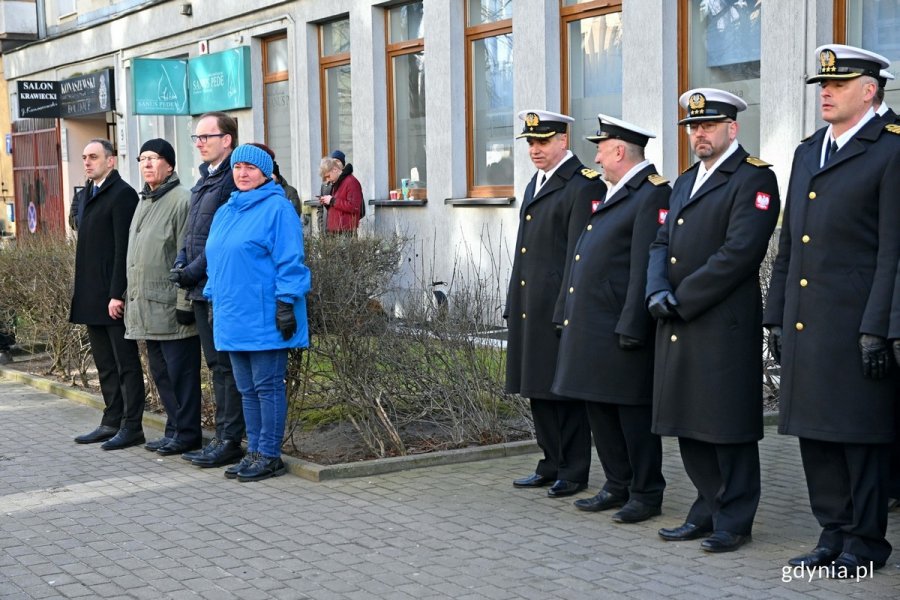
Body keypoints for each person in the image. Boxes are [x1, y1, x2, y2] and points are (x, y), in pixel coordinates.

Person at [765, 45, 900, 576]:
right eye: (823, 85)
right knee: (816, 435)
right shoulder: (807, 151)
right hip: (807, 319)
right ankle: (832, 533)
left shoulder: (889, 149)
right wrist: (774, 314)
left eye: (838, 85)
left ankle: (864, 545)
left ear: (870, 91)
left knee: (859, 439)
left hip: (855, 323)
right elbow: (790, 242)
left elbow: (894, 250)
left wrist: (881, 328)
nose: (826, 92)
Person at [646, 88, 780, 552]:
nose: (699, 134)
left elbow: (739, 254)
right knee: (689, 421)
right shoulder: (684, 181)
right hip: (678, 320)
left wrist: (680, 299)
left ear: (732, 128)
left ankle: (735, 519)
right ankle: (706, 508)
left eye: (708, 126)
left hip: (721, 323)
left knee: (726, 426)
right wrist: (655, 289)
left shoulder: (754, 180)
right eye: (693, 127)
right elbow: (660, 242)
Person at [553, 115, 670, 522]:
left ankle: (645, 491)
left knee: (631, 416)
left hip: (620, 328)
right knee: (600, 411)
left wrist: (632, 325)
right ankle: (616, 484)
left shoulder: (650, 193)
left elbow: (643, 265)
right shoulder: (615, 190)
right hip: (593, 326)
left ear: (620, 151)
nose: (597, 156)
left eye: (601, 148)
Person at [505, 110, 605, 498]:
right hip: (533, 303)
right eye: (530, 142)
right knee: (538, 388)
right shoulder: (536, 183)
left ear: (563, 140)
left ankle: (574, 469)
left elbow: (579, 254)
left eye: (542, 141)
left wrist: (568, 307)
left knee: (564, 393)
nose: (535, 149)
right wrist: (514, 298)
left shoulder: (582, 185)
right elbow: (524, 250)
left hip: (559, 306)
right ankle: (550, 461)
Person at [204, 144, 311, 482]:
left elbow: (290, 260)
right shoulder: (226, 211)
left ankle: (269, 454)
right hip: (233, 314)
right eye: (238, 167)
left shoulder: (278, 209)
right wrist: (211, 298)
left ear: (266, 173)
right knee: (246, 389)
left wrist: (286, 303)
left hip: (265, 314)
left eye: (251, 167)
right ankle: (254, 452)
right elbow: (217, 260)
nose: (243, 173)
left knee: (267, 387)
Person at [168, 112, 246, 468]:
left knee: (227, 367)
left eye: (205, 137)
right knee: (215, 365)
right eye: (196, 138)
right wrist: (182, 261)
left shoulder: (233, 179)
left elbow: (221, 240)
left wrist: (191, 272)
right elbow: (192, 231)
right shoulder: (205, 179)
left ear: (226, 139)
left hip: (219, 286)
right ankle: (222, 437)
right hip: (200, 285)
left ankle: (230, 440)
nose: (199, 143)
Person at [125, 139, 203, 457]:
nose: (146, 164)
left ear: (169, 165)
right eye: (142, 158)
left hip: (172, 308)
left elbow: (186, 254)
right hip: (146, 308)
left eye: (153, 158)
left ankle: (188, 434)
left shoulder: (182, 200)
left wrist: (185, 304)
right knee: (161, 374)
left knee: (181, 376)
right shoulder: (144, 200)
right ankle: (174, 429)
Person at [70, 139, 146, 450]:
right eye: (84, 157)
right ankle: (111, 420)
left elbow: (122, 250)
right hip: (90, 293)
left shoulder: (123, 194)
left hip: (112, 296)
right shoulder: (87, 192)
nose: (87, 162)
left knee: (125, 362)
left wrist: (118, 293)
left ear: (110, 161)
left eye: (93, 157)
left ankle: (132, 426)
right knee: (104, 363)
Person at [319, 156, 363, 234]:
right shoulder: (337, 182)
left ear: (335, 170)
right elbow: (337, 206)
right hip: (335, 231)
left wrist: (332, 201)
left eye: (328, 176)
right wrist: (327, 203)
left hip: (345, 231)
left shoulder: (351, 182)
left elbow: (354, 207)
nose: (327, 180)